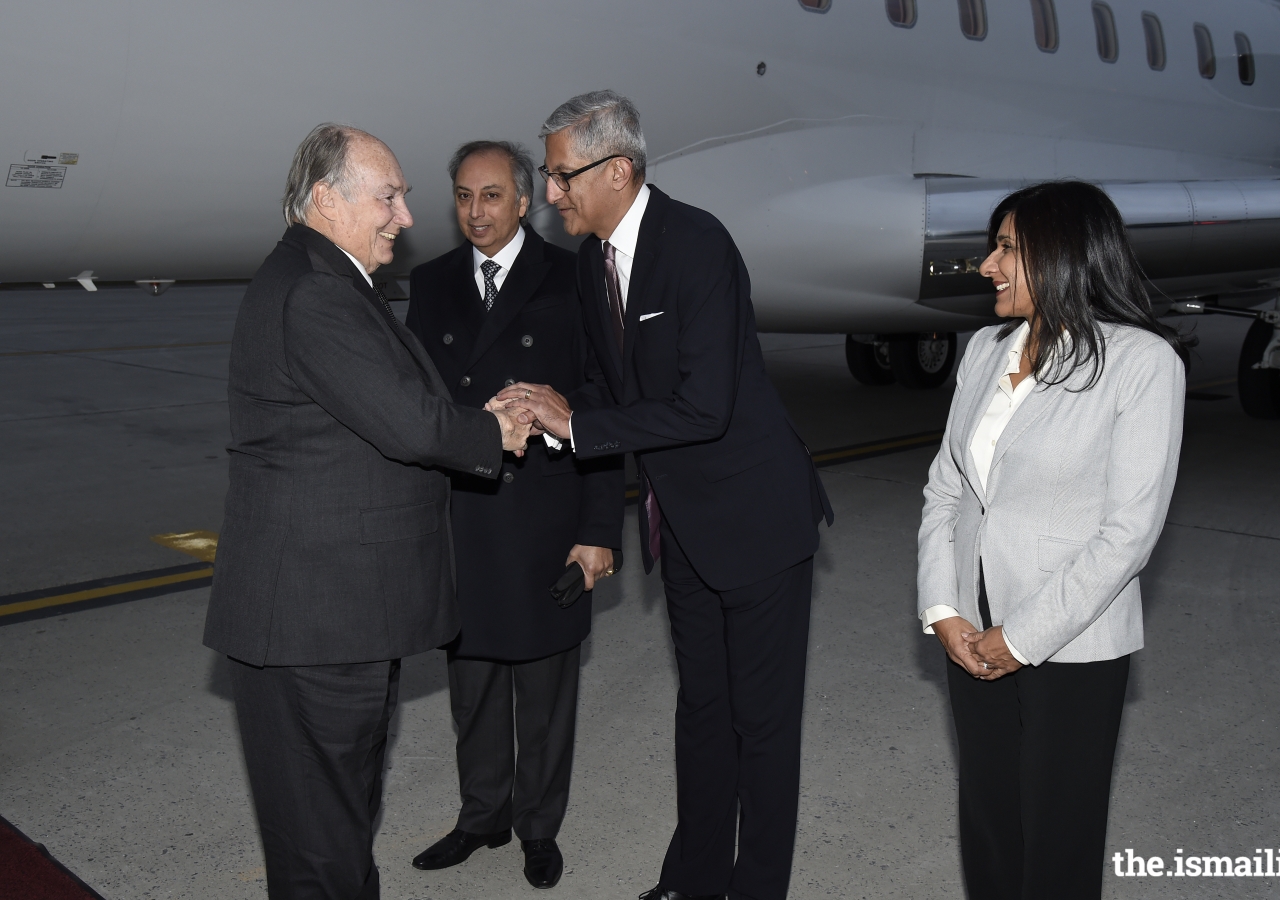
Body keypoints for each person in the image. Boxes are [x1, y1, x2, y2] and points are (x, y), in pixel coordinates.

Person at [494, 91, 833, 900]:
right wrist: (551, 408)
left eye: (562, 176)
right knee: (703, 713)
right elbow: (605, 396)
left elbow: (702, 406)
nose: (551, 194)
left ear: (619, 170)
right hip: (680, 525)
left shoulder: (698, 246)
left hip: (755, 522)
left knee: (762, 727)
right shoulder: (590, 262)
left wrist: (578, 426)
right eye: (548, 176)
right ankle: (694, 878)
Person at [202, 123, 533, 900]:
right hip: (314, 620)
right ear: (327, 198)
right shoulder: (317, 291)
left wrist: (469, 418)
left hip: (332, 618)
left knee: (337, 828)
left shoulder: (327, 278)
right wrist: (496, 430)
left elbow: (396, 406)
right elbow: (411, 423)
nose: (405, 217)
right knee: (322, 848)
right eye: (388, 197)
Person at [916, 180, 1187, 899]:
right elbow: (947, 488)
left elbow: (1128, 533)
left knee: (1058, 837)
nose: (986, 266)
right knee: (990, 823)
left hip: (1071, 639)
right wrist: (942, 609)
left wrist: (1023, 636)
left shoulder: (1141, 363)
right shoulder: (982, 350)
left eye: (1006, 248)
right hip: (971, 626)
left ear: (1064, 254)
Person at [403, 140, 623, 889]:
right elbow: (418, 402)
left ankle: (538, 828)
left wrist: (598, 532)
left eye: (492, 196)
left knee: (545, 693)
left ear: (525, 200)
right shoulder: (430, 283)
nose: (476, 212)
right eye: (464, 197)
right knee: (473, 686)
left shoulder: (573, 276)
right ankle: (481, 816)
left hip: (546, 517)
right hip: (465, 513)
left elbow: (602, 406)